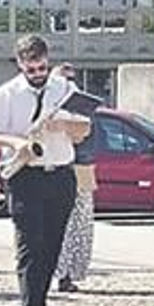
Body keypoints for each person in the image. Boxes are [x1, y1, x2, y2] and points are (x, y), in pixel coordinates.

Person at [0, 36, 91, 306]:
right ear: (20, 64)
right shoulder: (7, 93)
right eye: (31, 69)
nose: (38, 74)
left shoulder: (65, 89)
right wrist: (18, 143)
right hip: (25, 174)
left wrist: (63, 126)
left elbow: (85, 128)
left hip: (61, 173)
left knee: (52, 245)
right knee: (30, 243)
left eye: (42, 68)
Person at [54, 66, 104, 293]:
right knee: (59, 225)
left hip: (81, 168)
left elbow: (87, 138)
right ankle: (58, 273)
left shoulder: (83, 108)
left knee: (78, 225)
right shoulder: (47, 103)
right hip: (57, 167)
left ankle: (68, 273)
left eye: (71, 80)